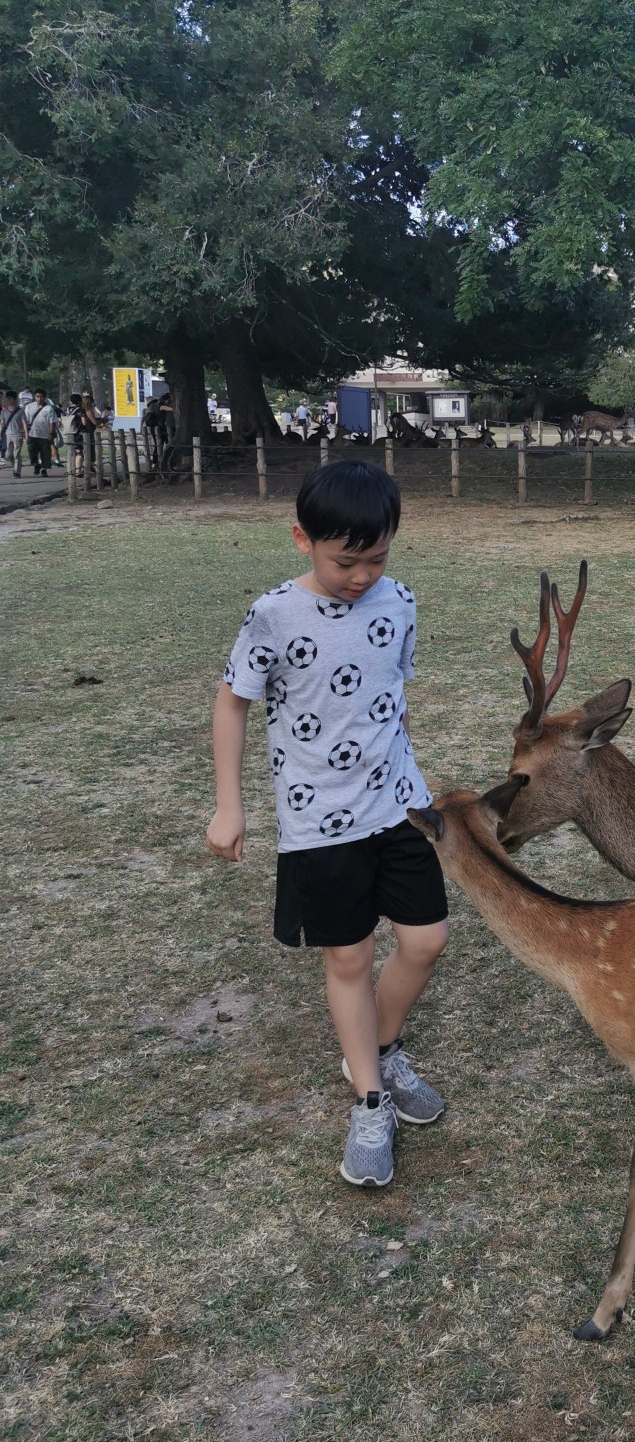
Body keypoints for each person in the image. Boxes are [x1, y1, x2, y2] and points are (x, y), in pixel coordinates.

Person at [206, 462, 450, 1186]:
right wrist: (230, 803)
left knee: (427, 940)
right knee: (348, 959)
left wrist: (411, 773)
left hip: (397, 805)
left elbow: (391, 697)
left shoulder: (399, 601)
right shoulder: (274, 614)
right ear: (302, 540)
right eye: (346, 560)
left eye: (377, 558)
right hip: (320, 821)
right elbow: (231, 703)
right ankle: (370, 1095)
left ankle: (379, 1044)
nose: (362, 575)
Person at [22, 388, 59, 477]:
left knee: (45, 453)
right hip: (32, 434)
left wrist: (51, 433)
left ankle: (44, 469)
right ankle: (36, 465)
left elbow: (52, 421)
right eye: (38, 396)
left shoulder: (49, 408)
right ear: (35, 397)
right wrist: (25, 433)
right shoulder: (29, 407)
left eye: (42, 396)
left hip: (45, 435)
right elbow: (25, 421)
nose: (40, 398)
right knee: (32, 451)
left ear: (45, 398)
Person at [1, 391, 25, 478]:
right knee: (9, 455)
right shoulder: (4, 412)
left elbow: (24, 423)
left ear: (15, 400)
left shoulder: (20, 411)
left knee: (16, 454)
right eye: (7, 399)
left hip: (18, 435)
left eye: (10, 399)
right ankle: (14, 468)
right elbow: (2, 424)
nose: (8, 401)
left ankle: (17, 472)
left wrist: (26, 434)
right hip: (8, 435)